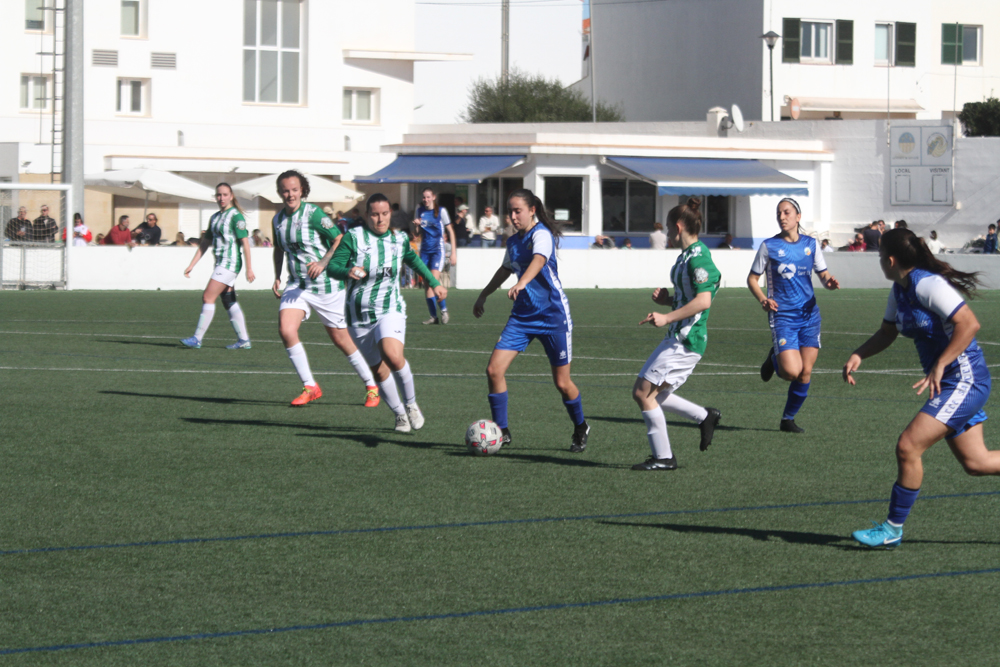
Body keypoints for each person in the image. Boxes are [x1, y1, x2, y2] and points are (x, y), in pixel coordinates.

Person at [844, 228, 1000, 548]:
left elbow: (969, 324)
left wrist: (941, 363)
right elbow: (887, 332)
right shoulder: (899, 290)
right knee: (977, 463)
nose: (879, 262)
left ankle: (892, 529)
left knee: (908, 446)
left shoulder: (927, 284)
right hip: (950, 385)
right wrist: (860, 353)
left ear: (889, 260)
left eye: (878, 257)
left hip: (965, 380)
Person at [473, 188, 590, 453]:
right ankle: (502, 431)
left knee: (562, 383)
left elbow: (538, 260)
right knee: (493, 370)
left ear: (532, 210)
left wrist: (522, 282)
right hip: (522, 317)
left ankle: (580, 426)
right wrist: (484, 295)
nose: (513, 216)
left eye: (518, 211)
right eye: (510, 211)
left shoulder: (542, 235)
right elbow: (505, 270)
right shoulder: (513, 242)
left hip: (552, 316)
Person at [326, 193, 446, 432]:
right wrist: (348, 271)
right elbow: (332, 267)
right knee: (378, 370)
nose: (379, 219)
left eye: (384, 214)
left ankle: (411, 404)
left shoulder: (399, 239)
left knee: (392, 356)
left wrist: (434, 282)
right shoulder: (353, 237)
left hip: (389, 308)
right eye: (374, 214)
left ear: (390, 214)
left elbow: (414, 261)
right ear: (367, 215)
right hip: (358, 315)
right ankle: (400, 414)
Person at [270, 170, 379, 407]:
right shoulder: (277, 220)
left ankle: (372, 386)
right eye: (285, 190)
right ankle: (310, 386)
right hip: (297, 286)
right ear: (280, 192)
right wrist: (277, 275)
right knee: (286, 330)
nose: (290, 194)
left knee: (341, 339)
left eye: (294, 189)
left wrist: (323, 262)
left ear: (302, 191)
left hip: (325, 286)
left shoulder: (314, 214)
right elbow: (279, 248)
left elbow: (339, 239)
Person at [631, 198, 722, 470]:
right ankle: (704, 416)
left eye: (670, 228)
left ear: (678, 227)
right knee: (651, 395)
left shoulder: (700, 258)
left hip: (686, 340)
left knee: (642, 393)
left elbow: (704, 301)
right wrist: (666, 302)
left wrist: (667, 317)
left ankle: (664, 458)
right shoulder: (686, 257)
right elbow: (689, 300)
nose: (669, 233)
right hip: (677, 337)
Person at [747, 198, 840, 433]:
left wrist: (830, 283)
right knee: (791, 372)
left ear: (798, 217)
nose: (782, 216)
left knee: (805, 372)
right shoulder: (769, 246)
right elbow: (752, 279)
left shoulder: (811, 244)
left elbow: (823, 275)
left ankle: (788, 419)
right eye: (779, 213)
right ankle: (774, 358)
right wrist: (763, 299)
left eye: (787, 212)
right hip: (783, 317)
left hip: (809, 316)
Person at [180, 183, 256, 350]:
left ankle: (197, 338)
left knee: (208, 297)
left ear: (231, 196)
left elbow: (245, 243)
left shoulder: (236, 216)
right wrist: (192, 265)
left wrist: (249, 268)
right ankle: (244, 340)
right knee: (228, 300)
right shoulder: (214, 217)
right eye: (219, 195)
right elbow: (205, 243)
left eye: (225, 194)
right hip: (221, 263)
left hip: (230, 263)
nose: (221, 198)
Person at [412, 188, 456, 324]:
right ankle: (433, 317)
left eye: (428, 197)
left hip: (438, 250)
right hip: (424, 251)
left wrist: (453, 252)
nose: (426, 200)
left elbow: (451, 231)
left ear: (434, 197)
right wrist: (416, 226)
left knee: (433, 281)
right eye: (424, 197)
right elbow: (417, 233)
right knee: (426, 284)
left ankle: (443, 311)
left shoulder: (441, 211)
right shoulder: (419, 211)